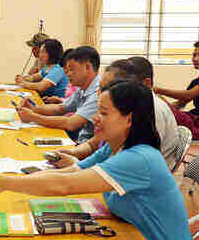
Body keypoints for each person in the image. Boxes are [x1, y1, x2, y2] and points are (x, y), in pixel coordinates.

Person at [0, 81, 196, 240]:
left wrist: (2, 182)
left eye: (104, 113)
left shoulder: (139, 159)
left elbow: (64, 187)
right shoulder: (113, 147)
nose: (95, 118)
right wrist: (1, 181)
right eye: (98, 110)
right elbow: (68, 174)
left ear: (130, 119)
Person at [49, 57, 181, 170]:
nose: (99, 93)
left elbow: (120, 169)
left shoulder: (148, 114)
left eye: (109, 88)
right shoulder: (118, 120)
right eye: (101, 87)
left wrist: (75, 164)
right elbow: (96, 145)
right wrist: (73, 154)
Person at [16, 45, 101, 144]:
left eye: (72, 69)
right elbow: (60, 108)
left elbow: (71, 123)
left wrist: (33, 117)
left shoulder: (98, 92)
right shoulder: (82, 88)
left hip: (87, 146)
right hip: (82, 142)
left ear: (87, 67)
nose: (68, 74)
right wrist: (34, 109)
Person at [153, 41, 199, 140]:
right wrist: (161, 106)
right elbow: (180, 103)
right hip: (194, 118)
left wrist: (157, 90)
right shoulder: (196, 82)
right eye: (194, 55)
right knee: (159, 105)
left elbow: (187, 95)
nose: (195, 59)